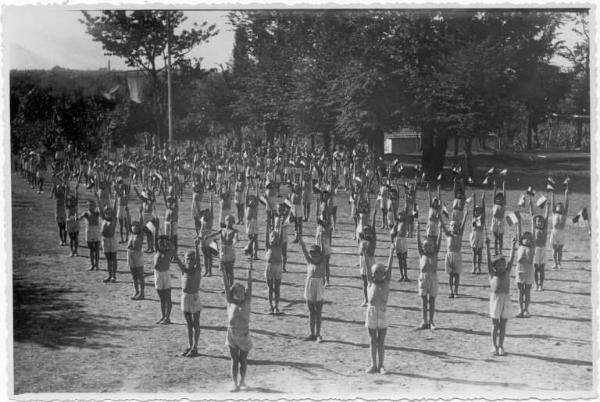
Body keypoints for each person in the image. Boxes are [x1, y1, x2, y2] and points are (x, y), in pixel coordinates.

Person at [222, 261, 253, 392]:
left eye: (241, 291)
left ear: (244, 293)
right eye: (236, 291)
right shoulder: (230, 302)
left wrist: (249, 272)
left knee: (243, 359)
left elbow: (250, 286)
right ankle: (235, 383)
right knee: (234, 360)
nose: (239, 293)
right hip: (231, 333)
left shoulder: (247, 301)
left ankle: (243, 381)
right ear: (232, 293)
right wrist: (223, 272)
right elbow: (226, 285)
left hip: (244, 333)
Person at [365, 244, 395, 374]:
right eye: (375, 272)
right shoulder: (370, 282)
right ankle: (373, 364)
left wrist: (391, 252)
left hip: (382, 312)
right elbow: (367, 266)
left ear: (384, 273)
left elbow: (390, 268)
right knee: (372, 340)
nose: (377, 274)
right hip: (371, 312)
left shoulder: (386, 282)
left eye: (380, 271)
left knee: (381, 341)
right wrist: (365, 254)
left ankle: (381, 365)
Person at [485, 235, 517, 356]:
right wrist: (487, 246)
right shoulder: (492, 274)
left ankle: (501, 346)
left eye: (503, 264)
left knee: (503, 324)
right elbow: (488, 261)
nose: (502, 267)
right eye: (499, 265)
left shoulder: (507, 273)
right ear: (494, 267)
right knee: (495, 324)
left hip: (506, 300)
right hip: (495, 300)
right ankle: (494, 345)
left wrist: (513, 246)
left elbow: (511, 260)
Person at [174, 237, 203, 357]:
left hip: (194, 298)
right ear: (184, 260)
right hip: (185, 298)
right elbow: (176, 258)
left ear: (195, 261)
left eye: (192, 259)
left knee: (196, 323)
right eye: (187, 259)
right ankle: (190, 345)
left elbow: (199, 260)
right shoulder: (184, 270)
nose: (189, 261)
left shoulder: (197, 270)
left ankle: (195, 347)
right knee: (189, 324)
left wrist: (196, 246)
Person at [298, 235, 326, 342]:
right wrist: (302, 243)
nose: (313, 255)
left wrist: (322, 239)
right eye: (312, 253)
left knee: (318, 312)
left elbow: (324, 251)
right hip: (309, 285)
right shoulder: (309, 261)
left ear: (319, 254)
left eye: (316, 253)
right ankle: (312, 333)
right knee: (311, 312)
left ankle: (318, 334)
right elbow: (304, 251)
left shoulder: (322, 261)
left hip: (318, 286)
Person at [417, 221, 443, 329]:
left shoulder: (435, 253)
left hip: (433, 277)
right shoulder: (422, 254)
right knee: (424, 300)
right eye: (425, 245)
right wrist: (417, 231)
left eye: (430, 245)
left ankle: (431, 321)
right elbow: (418, 242)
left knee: (432, 300)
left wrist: (440, 230)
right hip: (423, 277)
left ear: (434, 246)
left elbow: (439, 242)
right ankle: (424, 321)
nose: (427, 247)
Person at [441, 210, 469, 298]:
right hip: (449, 256)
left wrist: (465, 215)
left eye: (456, 226)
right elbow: (443, 226)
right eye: (452, 225)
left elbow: (463, 224)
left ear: (458, 227)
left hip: (457, 255)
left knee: (456, 275)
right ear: (450, 227)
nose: (454, 227)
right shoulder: (448, 234)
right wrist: (439, 218)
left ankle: (456, 290)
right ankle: (451, 290)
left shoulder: (459, 234)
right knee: (450, 275)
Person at [97, 193, 119, 283]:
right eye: (106, 212)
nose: (108, 213)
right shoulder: (103, 219)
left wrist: (116, 198)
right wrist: (98, 198)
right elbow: (100, 209)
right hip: (105, 241)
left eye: (110, 212)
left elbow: (115, 208)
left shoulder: (114, 219)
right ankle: (109, 275)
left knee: (113, 259)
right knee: (108, 260)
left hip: (112, 240)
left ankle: (114, 276)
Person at [154, 235, 176, 324]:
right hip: (157, 275)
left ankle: (168, 317)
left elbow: (173, 248)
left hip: (165, 275)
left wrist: (168, 241)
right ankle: (163, 316)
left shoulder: (168, 252)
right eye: (160, 244)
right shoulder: (156, 252)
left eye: (163, 244)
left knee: (168, 298)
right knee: (162, 299)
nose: (161, 245)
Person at [515, 214, 534, 317]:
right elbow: (519, 232)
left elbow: (533, 233)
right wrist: (518, 222)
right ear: (521, 239)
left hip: (529, 272)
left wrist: (533, 222)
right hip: (520, 271)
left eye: (529, 238)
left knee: (527, 292)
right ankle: (520, 309)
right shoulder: (520, 246)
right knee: (520, 292)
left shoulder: (532, 247)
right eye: (525, 238)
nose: (527, 240)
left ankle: (526, 309)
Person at [530, 194, 550, 291]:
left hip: (543, 249)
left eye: (541, 222)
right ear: (535, 223)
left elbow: (546, 216)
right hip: (535, 249)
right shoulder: (534, 229)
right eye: (538, 221)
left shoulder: (545, 229)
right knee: (535, 268)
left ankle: (541, 284)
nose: (540, 223)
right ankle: (535, 284)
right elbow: (532, 215)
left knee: (541, 268)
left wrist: (548, 207)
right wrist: (530, 206)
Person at [550, 183, 569, 269]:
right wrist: (553, 193)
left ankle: (559, 263)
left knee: (560, 250)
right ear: (556, 207)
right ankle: (554, 263)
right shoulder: (554, 213)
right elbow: (553, 202)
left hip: (561, 233)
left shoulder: (564, 214)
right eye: (558, 206)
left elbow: (567, 204)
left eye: (561, 206)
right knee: (554, 250)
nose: (560, 207)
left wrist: (566, 194)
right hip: (554, 232)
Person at [79, 199, 101, 270]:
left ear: (95, 206)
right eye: (89, 205)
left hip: (96, 231)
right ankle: (92, 265)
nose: (90, 206)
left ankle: (97, 265)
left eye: (92, 205)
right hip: (89, 231)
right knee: (91, 249)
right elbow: (79, 218)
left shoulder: (97, 213)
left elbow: (103, 212)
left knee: (97, 249)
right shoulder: (86, 213)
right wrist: (77, 217)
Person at [265, 230, 284, 315]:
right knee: (270, 288)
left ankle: (276, 306)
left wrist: (281, 225)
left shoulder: (280, 245)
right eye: (273, 236)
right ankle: (270, 307)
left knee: (277, 288)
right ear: (270, 239)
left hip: (278, 267)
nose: (275, 238)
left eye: (276, 237)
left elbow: (282, 235)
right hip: (270, 267)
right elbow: (266, 236)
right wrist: (268, 225)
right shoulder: (268, 246)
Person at [127, 221, 145, 300]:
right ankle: (136, 291)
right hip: (130, 254)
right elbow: (128, 223)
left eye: (137, 226)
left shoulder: (140, 235)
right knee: (134, 276)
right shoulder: (131, 234)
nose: (135, 227)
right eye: (134, 225)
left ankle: (142, 293)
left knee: (140, 276)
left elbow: (142, 224)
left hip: (138, 255)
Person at [390, 210, 409, 282]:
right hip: (397, 240)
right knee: (399, 259)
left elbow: (407, 216)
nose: (400, 216)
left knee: (404, 259)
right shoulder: (397, 223)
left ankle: (406, 276)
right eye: (399, 214)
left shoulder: (405, 222)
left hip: (403, 240)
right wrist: (392, 241)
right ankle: (401, 275)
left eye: (402, 214)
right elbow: (392, 234)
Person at [470, 192, 486, 274]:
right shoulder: (473, 217)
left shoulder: (482, 218)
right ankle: (473, 266)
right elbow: (473, 207)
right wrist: (474, 198)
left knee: (479, 252)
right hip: (474, 234)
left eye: (479, 210)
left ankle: (479, 267)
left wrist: (483, 199)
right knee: (473, 252)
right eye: (476, 210)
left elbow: (484, 209)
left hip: (480, 234)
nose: (477, 211)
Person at [315, 212, 333, 287]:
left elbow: (329, 236)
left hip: (326, 247)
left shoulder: (328, 228)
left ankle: (327, 280)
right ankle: (321, 279)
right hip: (318, 247)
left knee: (326, 265)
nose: (324, 221)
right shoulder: (319, 227)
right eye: (323, 219)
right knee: (319, 265)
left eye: (326, 219)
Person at [50, 177, 68, 246]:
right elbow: (54, 186)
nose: (58, 189)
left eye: (59, 188)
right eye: (58, 189)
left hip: (63, 213)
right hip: (58, 213)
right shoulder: (57, 196)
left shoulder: (64, 194)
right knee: (60, 227)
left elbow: (65, 189)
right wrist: (56, 183)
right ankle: (61, 240)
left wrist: (62, 184)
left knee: (65, 227)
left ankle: (65, 240)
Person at [491, 179, 506, 255]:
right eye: (498, 199)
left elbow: (504, 196)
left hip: (501, 221)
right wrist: (495, 186)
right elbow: (494, 195)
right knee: (495, 238)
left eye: (501, 199)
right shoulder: (494, 204)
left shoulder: (503, 205)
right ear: (495, 200)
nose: (499, 200)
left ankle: (500, 251)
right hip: (494, 221)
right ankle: (495, 251)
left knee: (500, 238)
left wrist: (503, 186)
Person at [65, 185, 80, 257]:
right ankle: (72, 251)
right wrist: (66, 190)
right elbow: (65, 198)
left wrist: (76, 190)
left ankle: (76, 251)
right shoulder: (67, 206)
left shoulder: (76, 204)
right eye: (71, 200)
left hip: (75, 221)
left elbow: (77, 197)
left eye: (73, 199)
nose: (72, 201)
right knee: (71, 238)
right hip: (69, 222)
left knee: (76, 238)